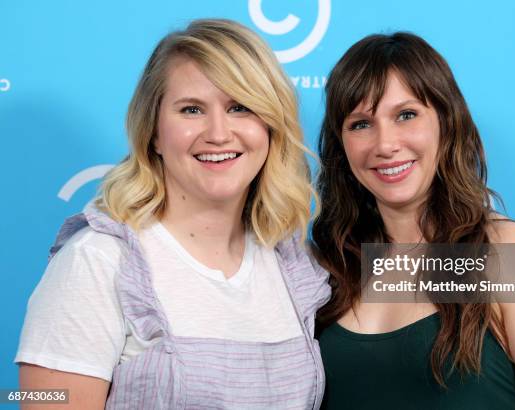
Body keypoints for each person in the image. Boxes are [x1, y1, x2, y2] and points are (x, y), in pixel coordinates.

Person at [16, 19, 330, 409]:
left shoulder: (294, 265)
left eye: (240, 107)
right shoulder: (95, 260)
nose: (218, 133)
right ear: (154, 132)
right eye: (192, 109)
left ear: (269, 126)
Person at [311, 32, 515, 409]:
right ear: (340, 144)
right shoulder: (328, 268)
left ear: (446, 122)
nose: (385, 144)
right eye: (361, 124)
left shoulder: (512, 257)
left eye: (406, 115)